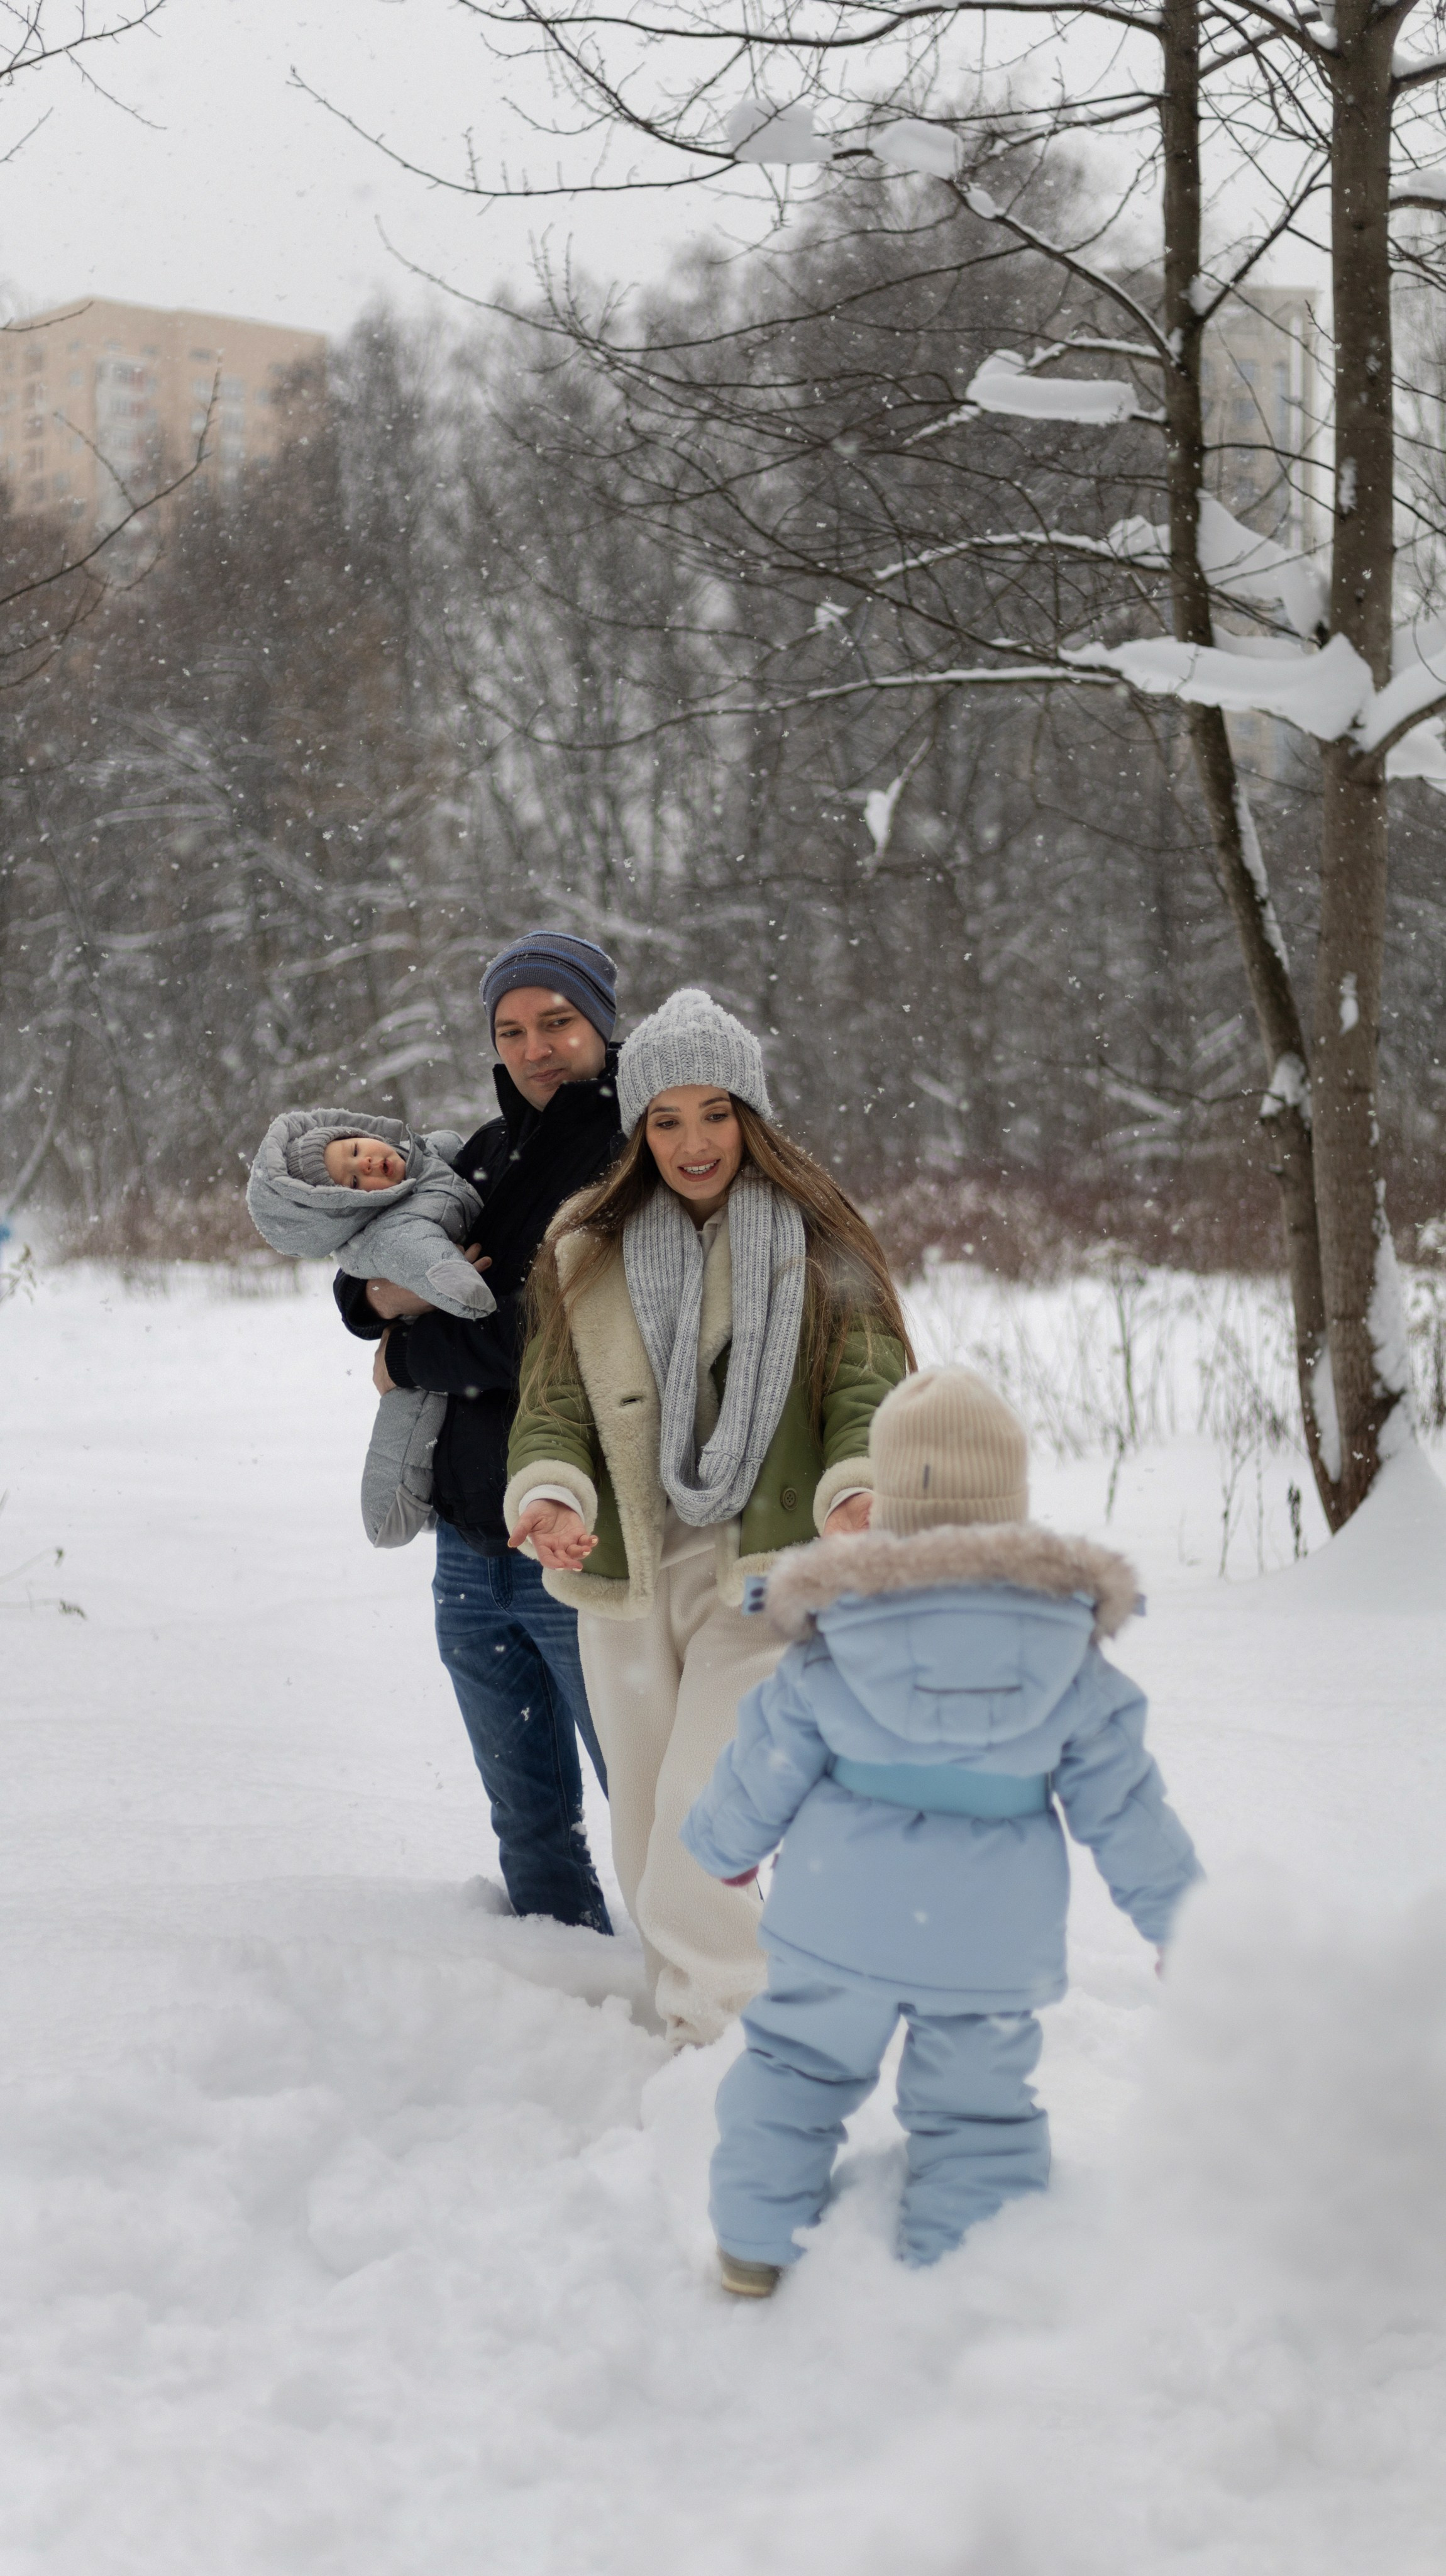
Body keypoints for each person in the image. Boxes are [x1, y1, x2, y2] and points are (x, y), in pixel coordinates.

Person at [680, 1365, 1203, 2296]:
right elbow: (1126, 1809)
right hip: (988, 1940)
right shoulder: (1068, 1652)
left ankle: (756, 2242)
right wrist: (1185, 1925)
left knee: (796, 2070)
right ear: (1013, 1505)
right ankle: (962, 2268)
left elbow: (767, 1760)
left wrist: (724, 1851)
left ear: (884, 1502)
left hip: (838, 1921)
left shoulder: (833, 1636)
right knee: (980, 2109)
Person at [504, 987, 913, 2047]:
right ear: (639, 1129)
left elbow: (867, 1387)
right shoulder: (583, 1252)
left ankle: (737, 2047)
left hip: (771, 1568)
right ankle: (691, 2028)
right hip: (630, 1573)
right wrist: (551, 1494)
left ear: (753, 1117)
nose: (694, 1142)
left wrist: (859, 1485)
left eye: (716, 1113)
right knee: (645, 1836)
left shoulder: (822, 1247)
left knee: (703, 1818)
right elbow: (552, 1406)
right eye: (668, 1119)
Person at [337, 930, 624, 1934]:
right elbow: (363, 1266)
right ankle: (559, 2008)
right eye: (512, 1030)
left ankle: (703, 2016)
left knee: (652, 1803)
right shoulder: (486, 1154)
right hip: (470, 1541)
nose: (536, 1047)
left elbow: (551, 1337)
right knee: (530, 1821)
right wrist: (385, 1295)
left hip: (585, 1537)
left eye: (558, 1022)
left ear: (602, 1023)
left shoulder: (635, 1155)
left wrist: (409, 1353)